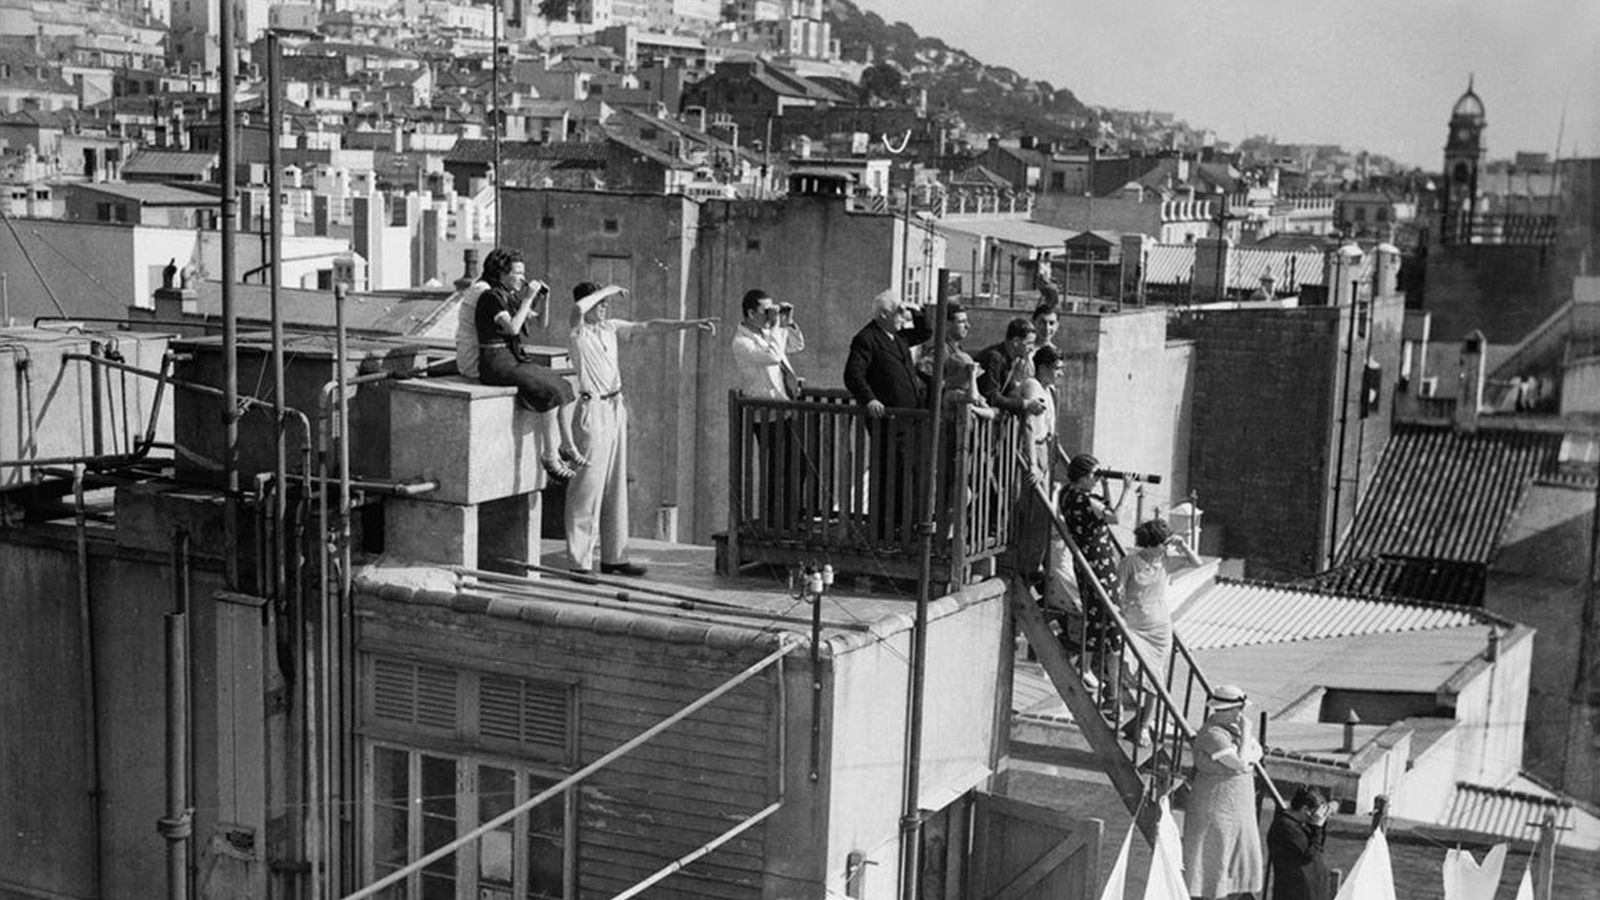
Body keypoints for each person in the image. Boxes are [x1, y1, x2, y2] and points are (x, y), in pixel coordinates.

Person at [565, 281, 719, 576]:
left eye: (606, 303)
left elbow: (649, 326)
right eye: (599, 303)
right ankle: (579, 562)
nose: (604, 307)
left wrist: (688, 324)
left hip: (615, 406)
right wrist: (607, 290)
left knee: (615, 485)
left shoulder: (610, 328)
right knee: (587, 485)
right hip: (592, 408)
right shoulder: (578, 332)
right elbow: (577, 310)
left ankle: (614, 557)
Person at [468, 248, 581, 480]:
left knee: (564, 386)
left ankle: (567, 445)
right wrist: (528, 298)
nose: (523, 278)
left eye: (523, 273)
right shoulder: (491, 297)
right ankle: (549, 457)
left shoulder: (509, 297)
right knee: (548, 392)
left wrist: (544, 299)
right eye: (518, 273)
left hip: (513, 359)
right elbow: (512, 328)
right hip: (496, 364)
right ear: (501, 273)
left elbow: (541, 324)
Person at [843, 287, 932, 541]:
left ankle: (907, 526)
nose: (903, 317)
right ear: (883, 314)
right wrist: (870, 399)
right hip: (889, 421)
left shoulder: (897, 337)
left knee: (911, 473)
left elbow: (924, 332)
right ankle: (887, 529)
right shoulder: (867, 338)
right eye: (898, 312)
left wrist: (914, 310)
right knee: (893, 474)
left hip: (910, 419)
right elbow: (853, 374)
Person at [1116, 517, 1203, 746]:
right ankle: (1120, 704)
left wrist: (1182, 545)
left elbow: (1197, 563)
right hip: (1134, 625)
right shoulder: (1130, 562)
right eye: (1162, 544)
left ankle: (1144, 726)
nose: (1165, 548)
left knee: (1156, 679)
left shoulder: (1165, 562)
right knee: (1124, 664)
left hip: (1159, 628)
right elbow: (1117, 591)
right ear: (1149, 544)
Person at [730, 288, 807, 527]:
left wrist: (787, 322)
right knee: (777, 468)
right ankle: (776, 520)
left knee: (798, 465)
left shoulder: (767, 333)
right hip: (765, 414)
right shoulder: (741, 342)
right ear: (751, 313)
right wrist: (775, 326)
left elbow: (796, 345)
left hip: (784, 408)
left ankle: (790, 516)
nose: (769, 315)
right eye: (766, 311)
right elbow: (773, 356)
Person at [1184, 684, 1266, 900]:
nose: (1241, 715)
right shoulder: (1213, 734)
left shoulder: (1232, 730)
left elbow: (1257, 751)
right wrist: (1246, 736)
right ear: (1227, 710)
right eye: (1239, 709)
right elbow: (1240, 763)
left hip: (1239, 808)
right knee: (1215, 859)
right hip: (1217, 808)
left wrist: (1245, 754)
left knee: (1238, 855)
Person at [1059, 452, 1122, 706]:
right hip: (1100, 565)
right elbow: (1114, 517)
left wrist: (1105, 486)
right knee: (1111, 620)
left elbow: (1101, 510)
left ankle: (1089, 669)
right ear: (1083, 477)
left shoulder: (1067, 494)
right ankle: (1103, 682)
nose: (1096, 480)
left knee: (1094, 616)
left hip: (1085, 562)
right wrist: (1126, 490)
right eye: (1094, 476)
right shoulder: (1086, 500)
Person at [1267, 786, 1333, 900]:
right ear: (1305, 809)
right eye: (1315, 812)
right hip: (1295, 893)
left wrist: (1319, 827)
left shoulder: (1297, 824)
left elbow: (1318, 848)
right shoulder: (1286, 827)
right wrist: (1317, 828)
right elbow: (1309, 854)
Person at [974, 318, 1046, 418]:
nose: (1032, 348)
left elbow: (1010, 391)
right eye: (1029, 343)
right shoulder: (994, 358)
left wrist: (1029, 403)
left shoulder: (1010, 358)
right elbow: (991, 397)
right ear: (1016, 341)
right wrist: (1024, 404)